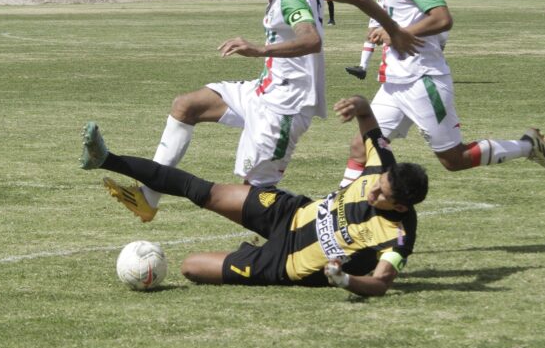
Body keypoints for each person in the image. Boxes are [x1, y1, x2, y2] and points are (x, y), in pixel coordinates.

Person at [104, 0, 422, 223]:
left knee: (252, 197)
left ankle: (318, 233)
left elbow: (311, 39)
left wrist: (258, 49)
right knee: (187, 106)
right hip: (264, 89)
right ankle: (148, 197)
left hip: (286, 106)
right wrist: (394, 29)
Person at [80, 95, 429, 297]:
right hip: (291, 213)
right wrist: (360, 104)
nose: (373, 193)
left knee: (190, 267)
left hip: (284, 263)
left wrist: (345, 280)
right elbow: (368, 118)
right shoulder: (381, 165)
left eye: (382, 196)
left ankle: (250, 253)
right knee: (200, 190)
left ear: (400, 206)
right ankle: (106, 159)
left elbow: (382, 282)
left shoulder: (398, 237)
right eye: (378, 184)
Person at [338, 0, 545, 188]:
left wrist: (398, 33)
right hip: (396, 83)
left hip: (423, 80)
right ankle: (343, 212)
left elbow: (443, 18)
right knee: (361, 148)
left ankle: (527, 146)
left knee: (454, 159)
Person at [345, 0, 394, 80]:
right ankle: (362, 68)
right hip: (381, 1)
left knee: (390, 36)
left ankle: (390, 69)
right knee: (371, 34)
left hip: (394, 2)